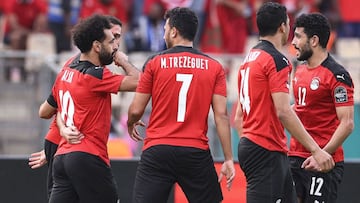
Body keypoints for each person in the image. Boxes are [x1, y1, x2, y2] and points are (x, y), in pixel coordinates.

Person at [127, 7, 235, 203]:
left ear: (174, 31)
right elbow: (221, 116)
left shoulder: (154, 62)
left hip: (158, 150)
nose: (164, 33)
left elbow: (136, 109)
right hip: (195, 151)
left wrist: (130, 122)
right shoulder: (214, 67)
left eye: (166, 28)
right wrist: (228, 158)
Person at [233, 2, 335, 202]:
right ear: (282, 27)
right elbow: (283, 112)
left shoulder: (249, 58)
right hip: (266, 147)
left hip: (252, 144)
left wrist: (250, 141)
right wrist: (316, 150)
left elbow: (239, 118)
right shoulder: (277, 60)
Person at [28, 15, 131, 199]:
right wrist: (62, 129)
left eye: (118, 37)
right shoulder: (93, 74)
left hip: (63, 151)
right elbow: (45, 110)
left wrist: (64, 127)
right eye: (112, 38)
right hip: (78, 149)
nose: (116, 45)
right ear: (97, 44)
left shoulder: (69, 69)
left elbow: (54, 107)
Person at [289, 13, 354, 203]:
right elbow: (300, 108)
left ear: (314, 40)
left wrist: (321, 154)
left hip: (324, 162)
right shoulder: (299, 70)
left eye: (299, 36)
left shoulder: (337, 75)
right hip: (294, 157)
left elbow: (347, 123)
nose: (293, 42)